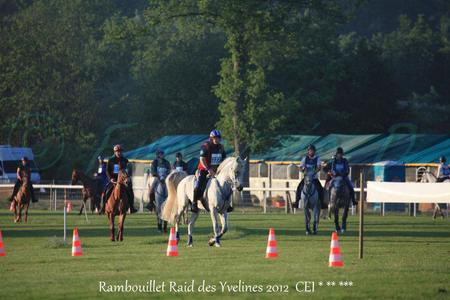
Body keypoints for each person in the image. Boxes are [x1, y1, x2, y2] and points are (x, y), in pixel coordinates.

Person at [192, 129, 227, 213]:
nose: (217, 139)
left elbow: (224, 159)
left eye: (218, 138)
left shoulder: (221, 147)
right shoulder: (206, 146)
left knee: (226, 183)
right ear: (211, 138)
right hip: (204, 169)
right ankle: (194, 203)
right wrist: (208, 169)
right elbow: (202, 159)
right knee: (199, 185)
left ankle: (227, 204)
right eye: (215, 138)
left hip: (217, 171)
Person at [101, 144, 137, 214]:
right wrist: (111, 178)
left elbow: (127, 170)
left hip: (122, 180)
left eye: (120, 151)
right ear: (114, 152)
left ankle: (131, 207)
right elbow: (107, 171)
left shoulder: (125, 160)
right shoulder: (110, 160)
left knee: (130, 190)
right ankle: (102, 207)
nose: (119, 152)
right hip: (113, 180)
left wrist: (127, 177)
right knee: (106, 191)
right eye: (117, 151)